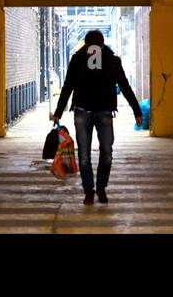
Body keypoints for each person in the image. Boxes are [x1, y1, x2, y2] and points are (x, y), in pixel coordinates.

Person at [50, 29, 143, 205]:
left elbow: (124, 85)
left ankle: (100, 187)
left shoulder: (112, 61)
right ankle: (89, 190)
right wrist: (58, 112)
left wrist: (136, 110)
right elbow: (68, 86)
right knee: (86, 155)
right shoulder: (78, 60)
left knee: (105, 152)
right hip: (83, 112)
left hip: (104, 112)